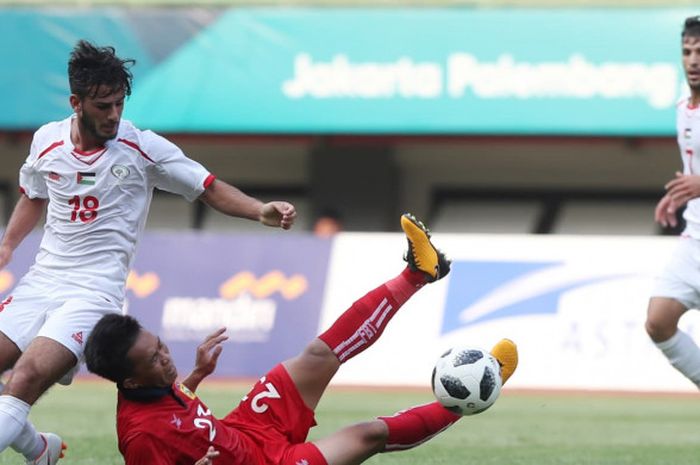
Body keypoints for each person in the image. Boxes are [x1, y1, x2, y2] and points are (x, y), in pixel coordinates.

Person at [0, 40, 296, 464]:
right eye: (103, 105)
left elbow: (207, 187)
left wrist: (259, 210)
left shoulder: (142, 148)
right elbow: (34, 193)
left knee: (26, 376)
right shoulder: (47, 141)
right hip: (41, 282)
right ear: (76, 102)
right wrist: (9, 245)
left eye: (120, 103)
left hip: (92, 294)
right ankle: (39, 448)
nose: (114, 115)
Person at [85, 213, 518, 465]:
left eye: (160, 346)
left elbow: (177, 410)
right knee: (365, 435)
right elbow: (166, 438)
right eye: (154, 360)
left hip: (245, 428)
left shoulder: (151, 386)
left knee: (317, 355)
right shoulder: (140, 438)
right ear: (132, 382)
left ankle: (420, 272)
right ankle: (479, 390)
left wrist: (195, 376)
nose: (165, 359)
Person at [646, 16, 700, 387]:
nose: (693, 60)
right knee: (659, 320)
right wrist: (678, 194)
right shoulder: (684, 107)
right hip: (695, 237)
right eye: (687, 51)